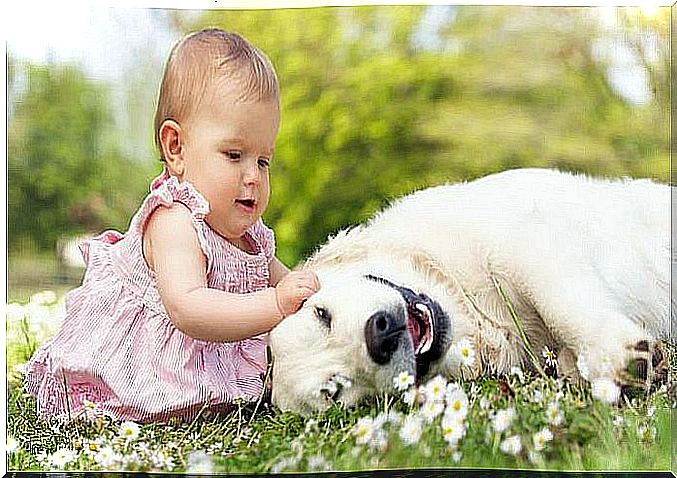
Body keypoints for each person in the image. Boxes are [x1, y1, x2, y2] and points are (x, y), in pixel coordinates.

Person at [24, 28, 320, 423]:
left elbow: (286, 281)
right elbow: (189, 308)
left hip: (196, 366)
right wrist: (275, 304)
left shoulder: (249, 236)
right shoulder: (174, 220)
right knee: (113, 403)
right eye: (234, 155)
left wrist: (312, 293)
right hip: (137, 368)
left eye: (263, 161)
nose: (253, 177)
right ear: (176, 148)